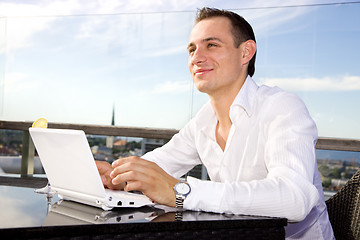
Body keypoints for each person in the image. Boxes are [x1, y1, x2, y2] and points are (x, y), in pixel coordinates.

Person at [96, 7, 334, 239]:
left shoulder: (282, 107)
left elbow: (294, 198)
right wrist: (115, 174)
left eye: (211, 45)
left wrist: (181, 192)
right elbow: (156, 167)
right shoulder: (203, 120)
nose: (197, 58)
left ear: (245, 52)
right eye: (191, 49)